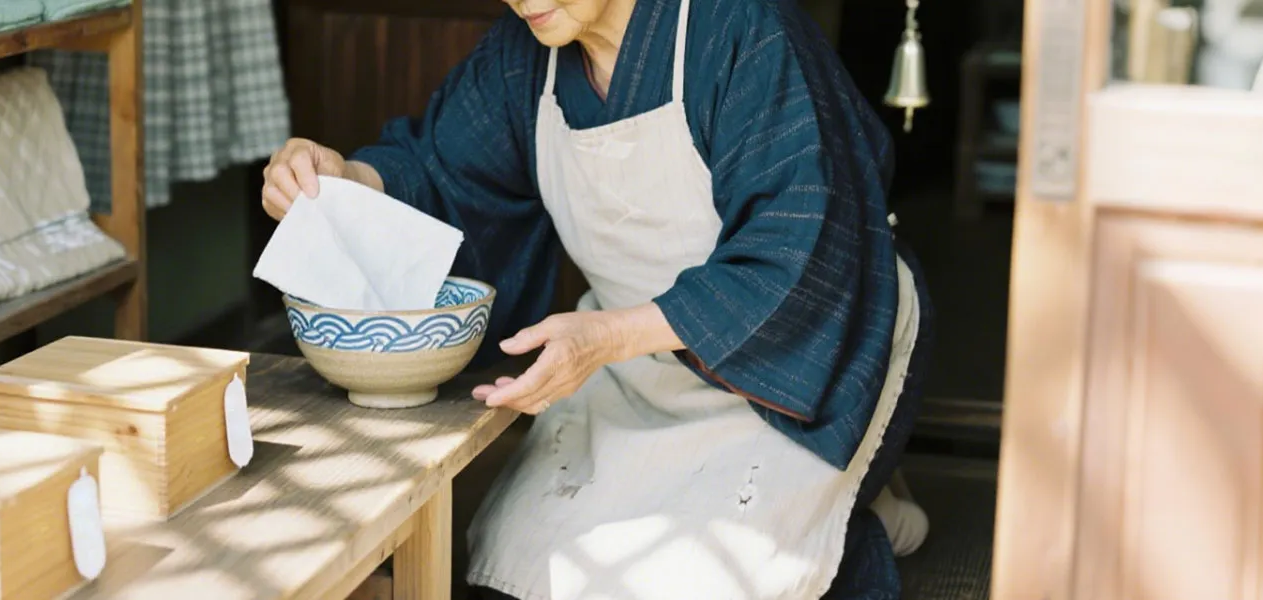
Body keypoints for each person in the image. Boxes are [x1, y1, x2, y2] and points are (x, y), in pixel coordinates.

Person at [260, 0, 933, 597]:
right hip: (629, 368)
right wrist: (344, 180)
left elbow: (801, 241)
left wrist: (609, 338)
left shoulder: (741, 27)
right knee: (524, 564)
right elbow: (441, 173)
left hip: (797, 356)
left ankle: (852, 529)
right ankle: (854, 505)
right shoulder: (527, 52)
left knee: (704, 575)